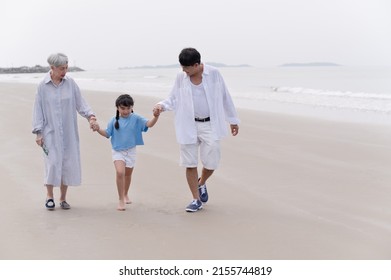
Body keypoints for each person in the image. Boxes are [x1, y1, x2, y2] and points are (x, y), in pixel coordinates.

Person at [154, 48, 240, 212]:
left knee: (212, 162)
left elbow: (225, 96)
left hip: (210, 125)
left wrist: (233, 120)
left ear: (197, 65)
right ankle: (196, 199)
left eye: (186, 68)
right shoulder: (181, 77)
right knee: (190, 163)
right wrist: (161, 106)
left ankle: (201, 183)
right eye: (182, 68)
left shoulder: (214, 74)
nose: (183, 71)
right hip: (188, 124)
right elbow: (173, 98)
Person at [32, 53, 98, 210]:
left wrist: (90, 116)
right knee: (52, 162)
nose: (65, 71)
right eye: (62, 68)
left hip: (68, 131)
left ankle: (63, 198)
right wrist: (38, 133)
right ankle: (49, 196)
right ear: (52, 68)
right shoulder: (42, 86)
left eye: (66, 68)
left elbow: (80, 103)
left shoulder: (70, 83)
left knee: (67, 162)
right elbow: (38, 110)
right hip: (50, 131)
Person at [93, 94, 159, 211]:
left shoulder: (136, 118)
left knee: (128, 175)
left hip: (131, 151)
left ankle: (125, 193)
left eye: (128, 108)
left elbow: (149, 124)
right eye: (123, 108)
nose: (126, 111)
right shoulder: (113, 120)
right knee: (120, 172)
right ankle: (120, 199)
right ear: (117, 108)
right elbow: (107, 134)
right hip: (118, 150)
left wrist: (156, 117)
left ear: (131, 107)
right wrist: (98, 129)